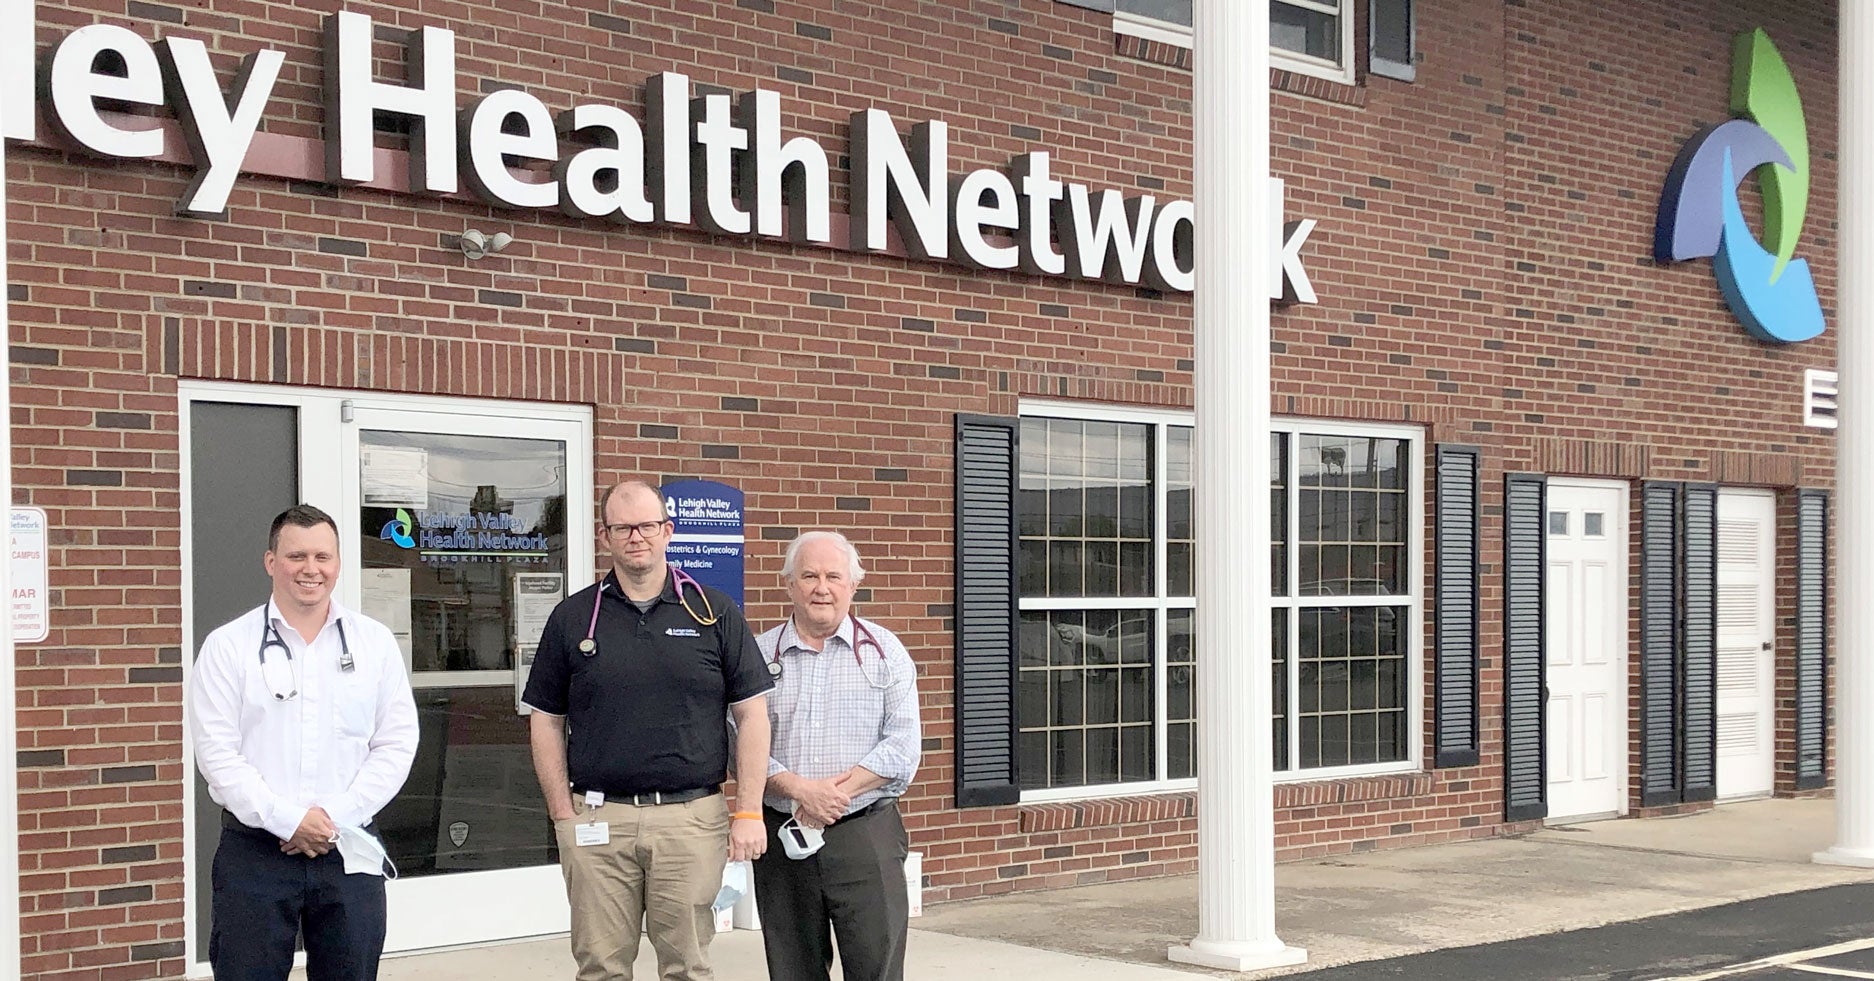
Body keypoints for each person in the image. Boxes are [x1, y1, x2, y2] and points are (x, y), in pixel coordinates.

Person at [522, 480, 773, 981]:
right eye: (622, 528)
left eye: (647, 526)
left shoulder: (713, 612)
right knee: (600, 968)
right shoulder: (573, 617)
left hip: (690, 821)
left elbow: (752, 716)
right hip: (597, 820)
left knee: (687, 968)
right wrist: (562, 814)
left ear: (668, 531)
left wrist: (748, 811)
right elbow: (545, 719)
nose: (636, 537)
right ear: (605, 536)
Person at [188, 504, 419, 981]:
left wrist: (331, 819)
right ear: (271, 562)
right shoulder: (228, 646)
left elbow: (396, 743)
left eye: (322, 556)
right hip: (255, 852)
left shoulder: (374, 643)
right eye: (296, 556)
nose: (310, 569)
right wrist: (288, 820)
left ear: (337, 564)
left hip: (349, 846)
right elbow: (217, 754)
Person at [752, 531, 922, 981]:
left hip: (865, 834)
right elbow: (738, 744)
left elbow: (903, 747)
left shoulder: (886, 652)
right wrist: (800, 790)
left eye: (833, 576)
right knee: (792, 970)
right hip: (785, 837)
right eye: (809, 576)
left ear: (853, 585)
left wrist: (830, 795)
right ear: (789, 584)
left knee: (876, 970)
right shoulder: (758, 656)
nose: (821, 588)